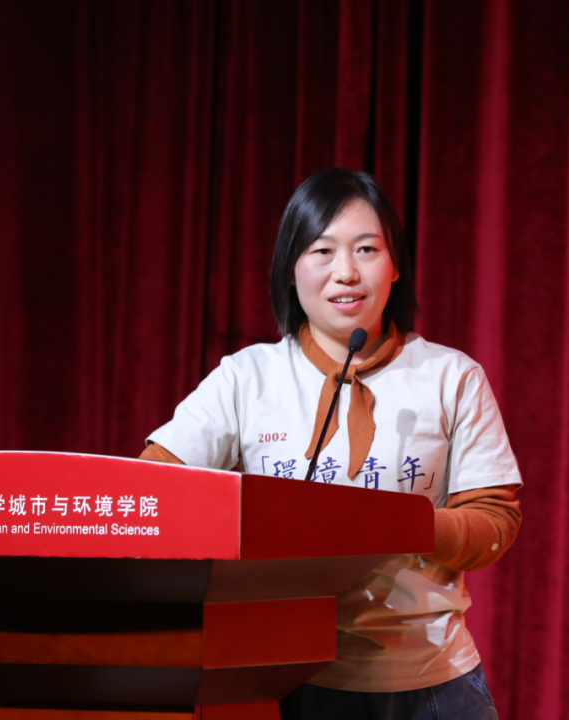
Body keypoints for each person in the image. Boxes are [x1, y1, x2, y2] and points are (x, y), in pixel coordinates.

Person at [141, 168, 522, 720]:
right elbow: (154, 490)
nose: (346, 271)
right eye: (322, 251)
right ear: (290, 269)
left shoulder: (451, 376)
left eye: (367, 249)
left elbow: (494, 521)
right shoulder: (246, 377)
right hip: (287, 676)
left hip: (433, 683)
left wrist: (392, 524)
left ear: (395, 266)